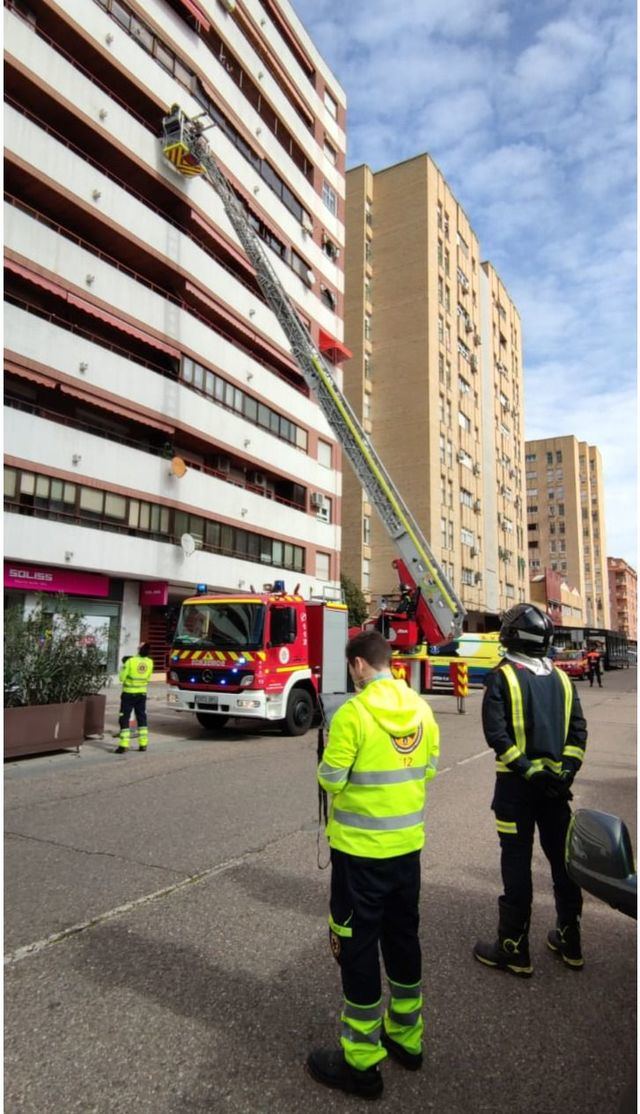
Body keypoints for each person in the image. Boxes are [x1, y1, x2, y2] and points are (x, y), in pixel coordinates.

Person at [308, 629, 440, 1100]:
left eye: (351, 668)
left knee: (358, 947)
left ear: (360, 665)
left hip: (360, 856)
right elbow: (426, 768)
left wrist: (327, 759)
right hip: (407, 851)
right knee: (403, 938)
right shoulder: (422, 709)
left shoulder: (353, 714)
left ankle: (361, 1064)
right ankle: (407, 1038)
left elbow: (331, 777)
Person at [473, 603, 588, 977]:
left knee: (516, 864)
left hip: (515, 792)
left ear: (513, 636)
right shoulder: (563, 681)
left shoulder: (501, 677)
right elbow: (578, 733)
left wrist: (526, 770)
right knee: (563, 865)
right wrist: (566, 772)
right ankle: (570, 940)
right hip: (557, 793)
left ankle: (513, 947)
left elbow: (497, 735)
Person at [114, 643, 154, 754]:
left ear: (139, 649)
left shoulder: (130, 661)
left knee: (124, 718)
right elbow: (148, 677)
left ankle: (124, 745)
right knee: (141, 717)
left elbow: (122, 678)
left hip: (129, 694)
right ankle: (143, 744)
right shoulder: (150, 662)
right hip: (142, 694)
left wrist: (124, 666)